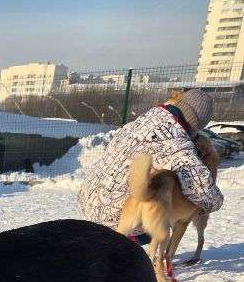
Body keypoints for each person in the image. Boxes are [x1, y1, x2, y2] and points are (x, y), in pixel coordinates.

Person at [79, 89, 223, 231]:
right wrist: (215, 203)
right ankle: (128, 245)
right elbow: (202, 191)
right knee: (165, 217)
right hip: (114, 220)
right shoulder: (177, 142)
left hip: (86, 203)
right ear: (195, 124)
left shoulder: (144, 119)